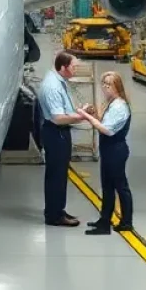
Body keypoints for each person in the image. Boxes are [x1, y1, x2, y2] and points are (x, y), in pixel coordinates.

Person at [37, 51, 91, 227]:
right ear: (63, 67)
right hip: (56, 132)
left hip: (60, 132)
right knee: (56, 175)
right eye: (73, 67)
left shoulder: (60, 81)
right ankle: (54, 216)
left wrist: (79, 111)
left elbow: (64, 110)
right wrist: (81, 117)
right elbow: (58, 118)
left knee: (60, 174)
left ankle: (58, 209)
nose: (75, 70)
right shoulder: (53, 86)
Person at [78, 71, 133, 235]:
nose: (105, 87)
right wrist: (94, 113)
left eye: (109, 84)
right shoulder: (112, 102)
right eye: (104, 84)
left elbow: (107, 129)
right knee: (107, 187)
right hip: (108, 150)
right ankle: (104, 220)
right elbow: (104, 120)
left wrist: (86, 116)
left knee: (120, 186)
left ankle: (126, 221)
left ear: (117, 86)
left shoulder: (119, 106)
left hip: (115, 150)